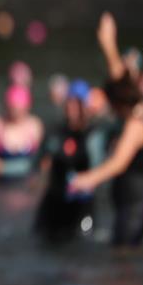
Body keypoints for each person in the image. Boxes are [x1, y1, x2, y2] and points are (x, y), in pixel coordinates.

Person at [69, 13, 143, 247]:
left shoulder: (137, 123)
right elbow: (120, 83)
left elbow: (119, 163)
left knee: (120, 274)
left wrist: (87, 179)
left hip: (135, 208)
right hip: (131, 206)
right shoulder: (134, 113)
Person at [33, 79, 106, 243]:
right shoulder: (55, 132)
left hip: (81, 202)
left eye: (77, 104)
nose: (71, 108)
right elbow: (37, 162)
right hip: (54, 200)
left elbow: (100, 167)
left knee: (83, 242)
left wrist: (87, 181)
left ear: (85, 106)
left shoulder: (93, 134)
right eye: (69, 103)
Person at [0, 84, 44, 181]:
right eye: (13, 108)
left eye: (19, 109)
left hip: (27, 185)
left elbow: (42, 162)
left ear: (27, 107)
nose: (16, 112)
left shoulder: (34, 127)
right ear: (7, 106)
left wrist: (2, 167)